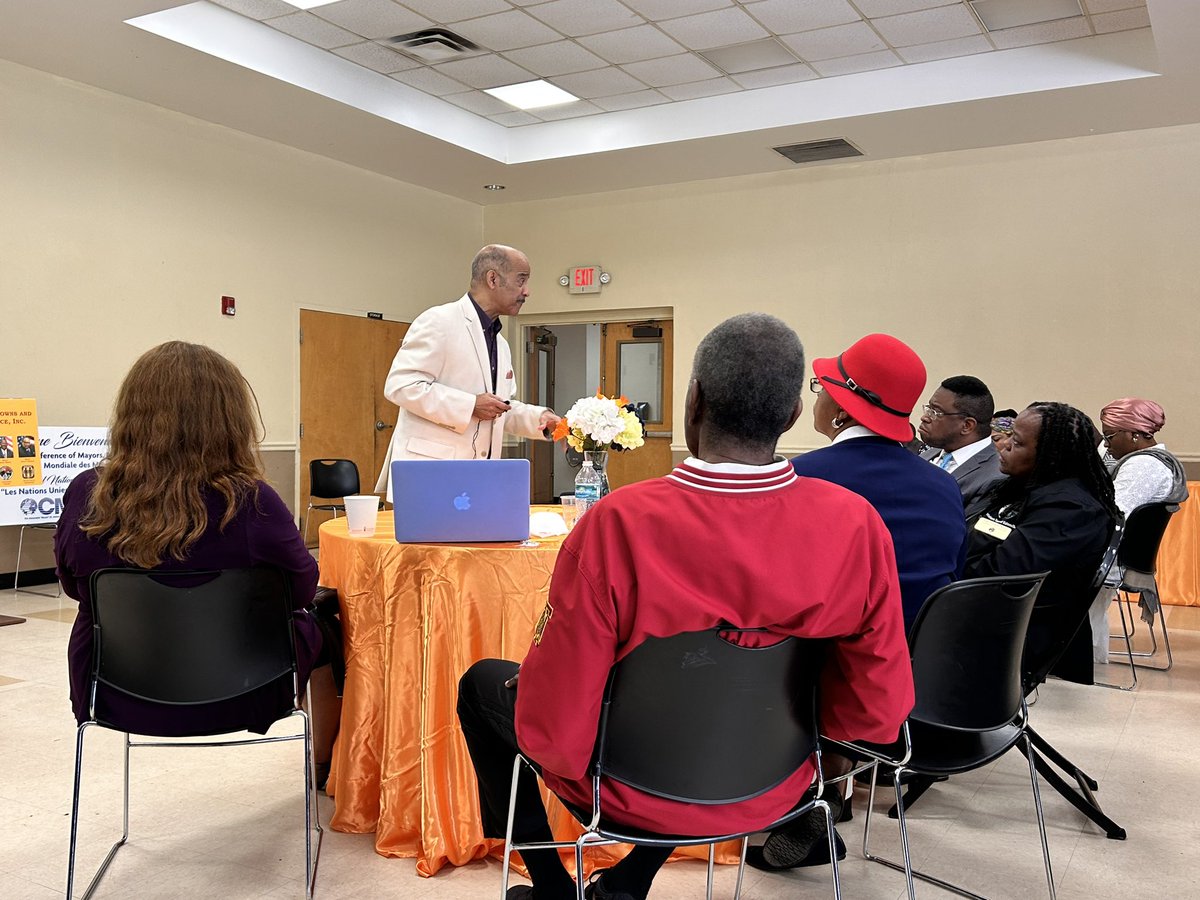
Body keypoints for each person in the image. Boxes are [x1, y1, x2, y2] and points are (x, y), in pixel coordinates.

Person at [457, 314, 914, 900]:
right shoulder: (857, 524)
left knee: (483, 685)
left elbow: (555, 728)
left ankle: (548, 885)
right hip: (775, 781)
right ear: (793, 416)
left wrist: (562, 755)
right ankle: (624, 884)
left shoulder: (619, 523)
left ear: (692, 401)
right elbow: (879, 704)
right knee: (696, 710)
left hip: (628, 786)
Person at [54, 341, 328, 740]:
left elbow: (74, 587)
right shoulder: (252, 499)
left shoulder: (87, 492)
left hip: (114, 693)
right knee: (330, 626)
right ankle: (327, 768)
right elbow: (301, 591)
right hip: (248, 691)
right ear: (230, 419)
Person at [790, 333, 966, 630]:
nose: (817, 395)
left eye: (822, 386)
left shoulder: (800, 477)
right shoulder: (945, 486)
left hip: (830, 661)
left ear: (842, 410)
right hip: (921, 659)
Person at [375, 244, 560, 500]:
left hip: (477, 480)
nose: (527, 291)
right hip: (430, 475)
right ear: (492, 278)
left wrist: (543, 420)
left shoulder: (501, 344)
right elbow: (401, 386)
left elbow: (499, 408)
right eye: (521, 280)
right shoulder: (439, 321)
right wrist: (470, 405)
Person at [963, 403, 1119, 685]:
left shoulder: (1071, 508)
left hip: (1004, 629)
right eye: (1009, 435)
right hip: (979, 610)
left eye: (1018, 442)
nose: (1004, 446)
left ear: (1051, 455)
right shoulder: (1021, 486)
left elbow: (1002, 576)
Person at [1087, 398, 1189, 662]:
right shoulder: (1150, 460)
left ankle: (1075, 654)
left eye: (1109, 436)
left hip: (1115, 559)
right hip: (1121, 553)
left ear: (1133, 435)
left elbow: (1112, 514)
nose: (1107, 445)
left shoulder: (1144, 466)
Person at [919, 376, 1004, 518]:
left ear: (967, 426)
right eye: (929, 409)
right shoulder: (927, 455)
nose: (925, 417)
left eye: (936, 413)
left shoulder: (995, 477)